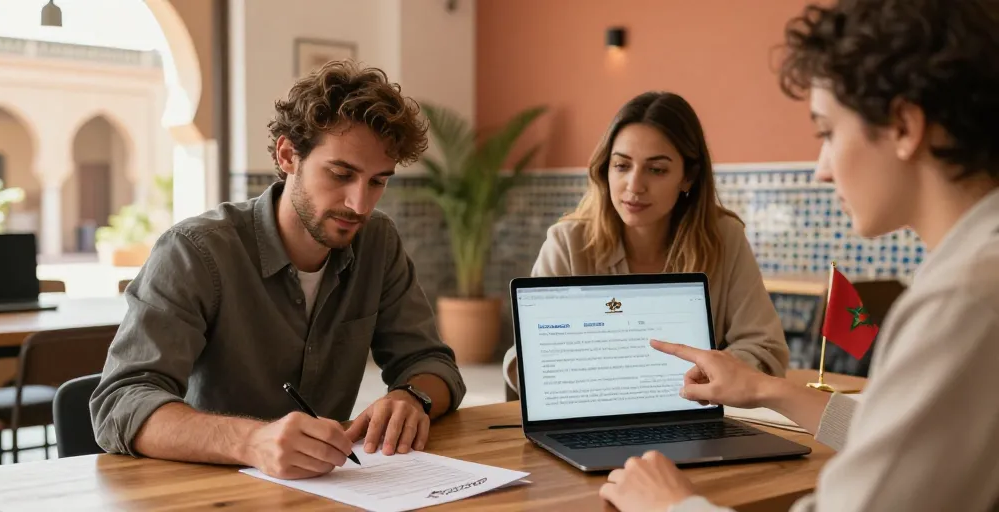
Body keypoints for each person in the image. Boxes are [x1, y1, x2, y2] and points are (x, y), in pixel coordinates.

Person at [600, 0, 999, 510]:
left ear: (903, 126)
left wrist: (672, 505)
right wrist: (769, 390)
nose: (821, 170)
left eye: (827, 133)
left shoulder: (962, 303)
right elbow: (904, 437)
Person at [90, 61, 466, 480]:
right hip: (210, 490)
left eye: (378, 181)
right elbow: (120, 403)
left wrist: (412, 397)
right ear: (288, 155)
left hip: (332, 486)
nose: (360, 204)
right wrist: (252, 443)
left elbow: (433, 363)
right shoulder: (195, 251)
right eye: (341, 174)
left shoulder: (378, 242)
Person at [503, 91, 790, 392]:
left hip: (694, 409)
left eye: (656, 169)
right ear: (605, 169)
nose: (635, 186)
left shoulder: (724, 237)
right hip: (595, 419)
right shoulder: (567, 243)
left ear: (688, 177)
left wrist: (697, 376)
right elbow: (525, 358)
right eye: (622, 166)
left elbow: (765, 349)